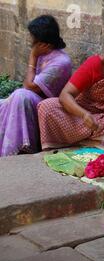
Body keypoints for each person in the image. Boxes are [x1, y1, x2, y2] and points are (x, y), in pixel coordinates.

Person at [0, 15, 72, 157]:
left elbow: (29, 86)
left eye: (32, 38)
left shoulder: (61, 61)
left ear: (45, 43)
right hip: (31, 99)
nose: (30, 41)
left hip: (47, 106)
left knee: (21, 95)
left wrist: (32, 56)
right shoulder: (43, 53)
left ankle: (15, 151)